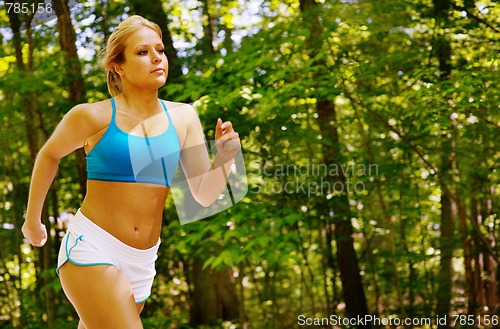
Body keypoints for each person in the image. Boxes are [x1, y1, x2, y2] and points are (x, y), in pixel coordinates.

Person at [21, 15, 241, 329]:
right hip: (92, 247)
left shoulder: (184, 117)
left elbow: (203, 196)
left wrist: (224, 159)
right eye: (142, 52)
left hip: (143, 262)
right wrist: (32, 221)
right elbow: (49, 155)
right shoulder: (91, 116)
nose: (156, 58)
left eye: (160, 50)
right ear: (118, 66)